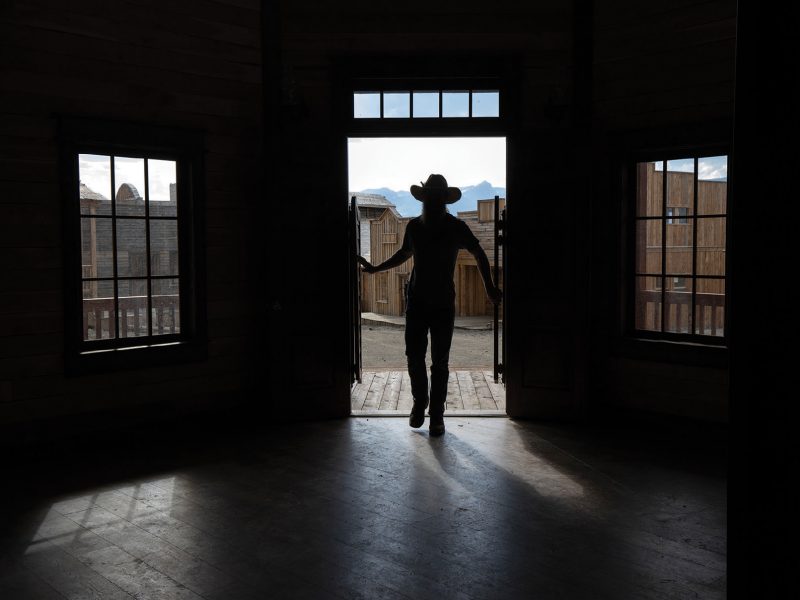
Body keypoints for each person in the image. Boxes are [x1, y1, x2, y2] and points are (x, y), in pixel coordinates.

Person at [358, 174, 501, 436]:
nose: (431, 202)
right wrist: (377, 268)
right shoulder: (421, 227)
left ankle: (434, 413)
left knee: (435, 361)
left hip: (437, 303)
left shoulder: (447, 227)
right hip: (422, 303)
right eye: (430, 197)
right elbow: (404, 254)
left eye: (433, 197)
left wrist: (489, 287)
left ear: (437, 199)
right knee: (420, 358)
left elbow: (479, 253)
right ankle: (423, 404)